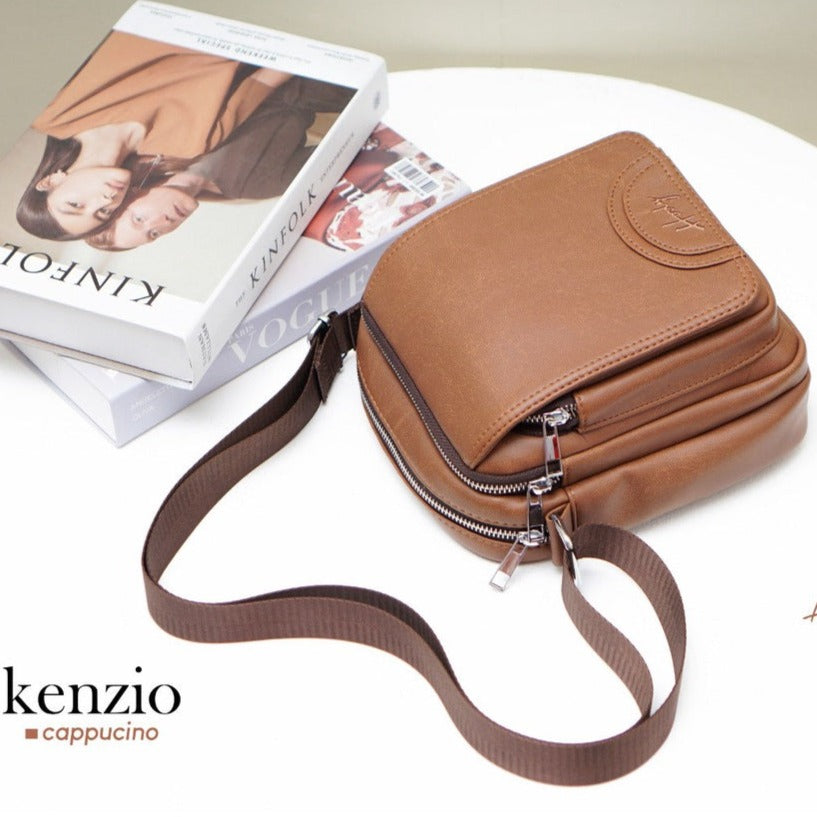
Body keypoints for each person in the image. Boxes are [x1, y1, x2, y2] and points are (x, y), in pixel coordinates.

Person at [16, 30, 297, 241]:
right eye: (103, 213)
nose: (104, 201)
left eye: (75, 204)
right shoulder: (188, 145)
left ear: (51, 180)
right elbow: (267, 78)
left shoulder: (50, 110)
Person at [85, 75, 355, 250]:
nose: (163, 223)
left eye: (139, 219)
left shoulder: (156, 142)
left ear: (132, 193)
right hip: (331, 78)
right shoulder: (253, 186)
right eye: (154, 234)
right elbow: (352, 145)